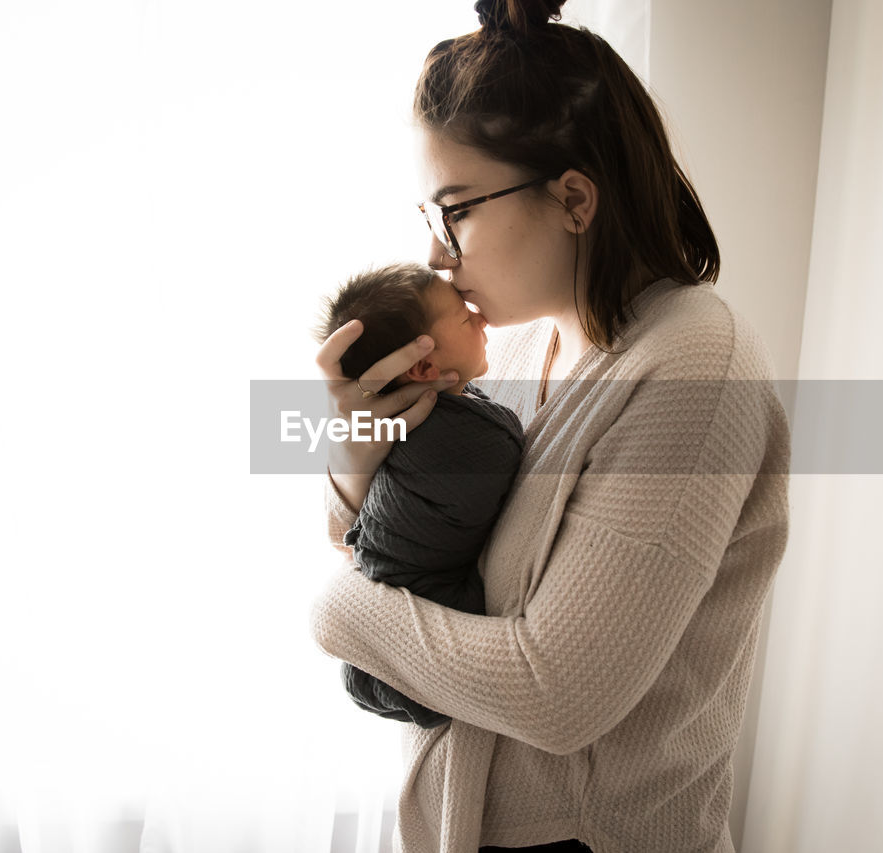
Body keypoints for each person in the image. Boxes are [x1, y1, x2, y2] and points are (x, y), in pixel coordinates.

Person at [311, 1, 790, 850]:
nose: (435, 255)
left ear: (573, 198)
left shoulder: (693, 369)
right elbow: (401, 537)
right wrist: (353, 460)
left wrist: (335, 611)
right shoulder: (517, 342)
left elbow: (554, 693)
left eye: (456, 211)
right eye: (429, 217)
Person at [313, 262, 524, 729]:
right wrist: (350, 468)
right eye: (466, 319)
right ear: (425, 366)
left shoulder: (447, 414)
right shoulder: (465, 433)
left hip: (388, 625)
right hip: (406, 635)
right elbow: (351, 531)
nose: (480, 318)